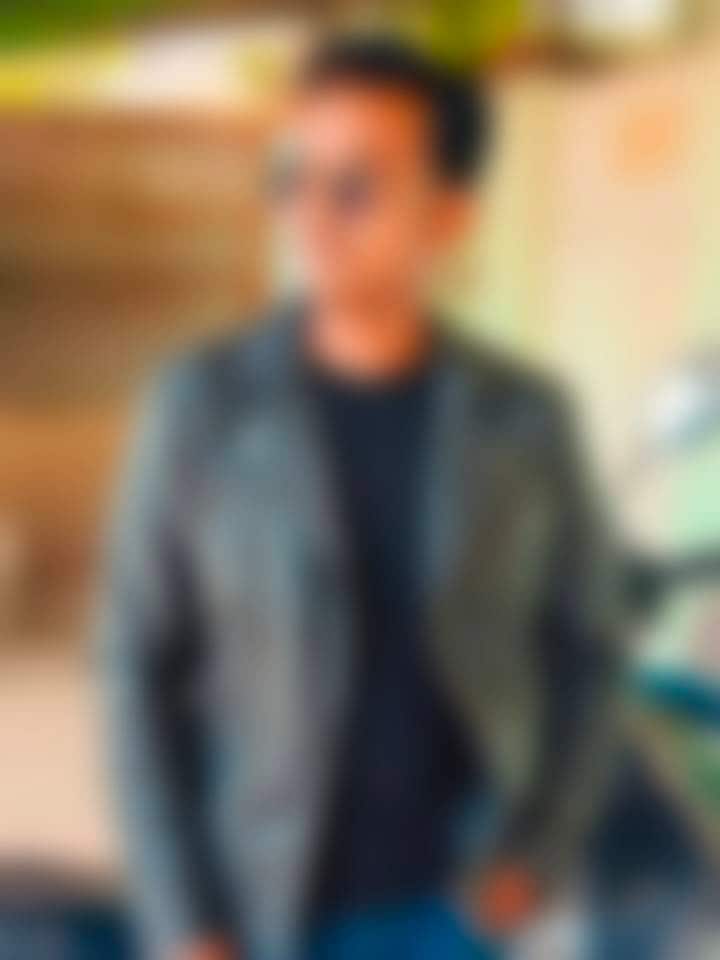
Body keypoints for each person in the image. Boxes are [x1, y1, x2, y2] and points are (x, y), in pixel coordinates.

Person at [101, 35, 620, 960]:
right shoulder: (204, 409)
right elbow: (134, 665)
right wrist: (184, 919)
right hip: (257, 914)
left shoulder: (524, 419)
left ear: (448, 216)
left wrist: (534, 856)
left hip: (453, 913)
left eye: (355, 187)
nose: (311, 214)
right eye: (294, 178)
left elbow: (589, 650)